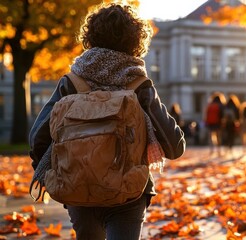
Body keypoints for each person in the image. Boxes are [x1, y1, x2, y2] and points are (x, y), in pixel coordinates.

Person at [28, 3, 186, 239]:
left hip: (79, 189)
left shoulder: (72, 82)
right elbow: (174, 146)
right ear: (136, 42)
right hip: (129, 191)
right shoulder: (138, 84)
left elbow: (37, 138)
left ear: (90, 37)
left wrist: (61, 172)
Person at [204, 91, 226, 156]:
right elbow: (222, 115)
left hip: (210, 123)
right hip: (218, 122)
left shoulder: (210, 105)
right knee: (218, 137)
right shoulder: (220, 105)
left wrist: (206, 122)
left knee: (211, 137)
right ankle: (219, 151)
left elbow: (206, 114)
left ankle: (211, 150)